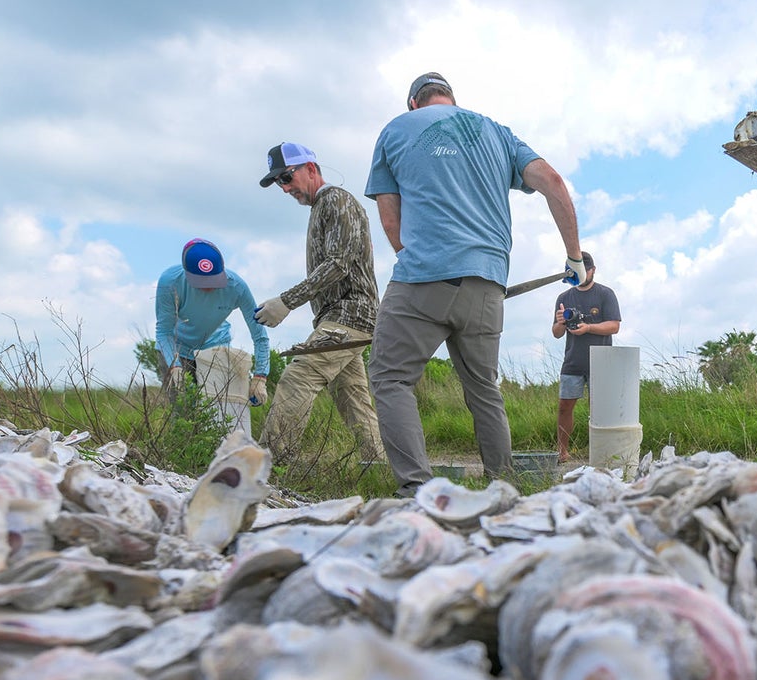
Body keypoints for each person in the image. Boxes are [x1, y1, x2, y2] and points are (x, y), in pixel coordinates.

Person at [365, 71, 586, 494]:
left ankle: (417, 490)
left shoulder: (396, 128)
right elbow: (553, 183)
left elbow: (390, 216)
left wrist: (419, 265)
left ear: (414, 103)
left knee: (391, 377)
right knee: (483, 389)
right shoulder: (498, 133)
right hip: (488, 286)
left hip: (423, 280)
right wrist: (574, 257)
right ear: (451, 99)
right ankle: (503, 486)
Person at [253, 142, 385, 466]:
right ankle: (383, 467)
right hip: (336, 316)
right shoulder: (320, 208)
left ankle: (265, 467)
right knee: (352, 399)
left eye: (287, 177)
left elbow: (339, 263)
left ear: (310, 168)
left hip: (350, 314)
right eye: (279, 183)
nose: (285, 188)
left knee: (298, 377)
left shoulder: (336, 200)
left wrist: (286, 302)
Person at [154, 238, 270, 436]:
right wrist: (174, 365)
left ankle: (223, 461)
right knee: (183, 415)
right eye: (201, 283)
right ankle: (185, 461)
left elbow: (259, 335)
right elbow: (164, 332)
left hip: (216, 349)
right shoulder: (170, 282)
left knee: (222, 414)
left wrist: (260, 376)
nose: (208, 288)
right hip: (177, 349)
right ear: (187, 273)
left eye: (214, 280)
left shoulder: (237, 286)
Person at [549, 251, 621, 461]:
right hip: (572, 361)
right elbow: (556, 333)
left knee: (598, 410)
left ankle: (599, 452)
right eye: (574, 272)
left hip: (600, 361)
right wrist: (561, 322)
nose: (580, 275)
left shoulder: (605, 294)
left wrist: (588, 327)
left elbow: (614, 326)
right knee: (564, 407)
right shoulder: (564, 298)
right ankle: (562, 451)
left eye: (583, 271)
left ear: (592, 270)